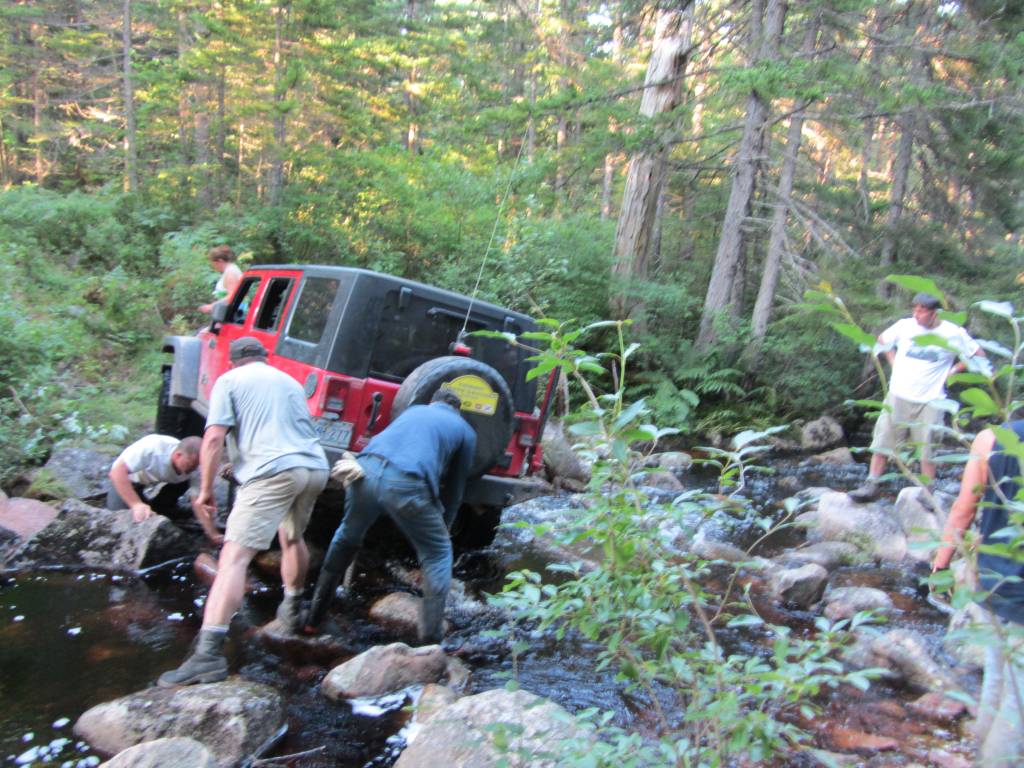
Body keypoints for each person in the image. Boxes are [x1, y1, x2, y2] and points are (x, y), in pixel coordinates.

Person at [158, 336, 328, 687]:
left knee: (233, 558)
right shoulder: (290, 383)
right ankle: (292, 609)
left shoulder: (230, 380)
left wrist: (206, 489)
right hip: (314, 468)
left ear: (234, 361)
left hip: (273, 471)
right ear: (265, 358)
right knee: (292, 536)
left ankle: (207, 656)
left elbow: (213, 438)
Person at [303, 388, 477, 644]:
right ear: (457, 410)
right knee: (438, 553)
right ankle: (430, 642)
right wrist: (445, 525)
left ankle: (314, 617)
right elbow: (455, 487)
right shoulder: (465, 430)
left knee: (347, 535)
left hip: (363, 471)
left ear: (432, 402)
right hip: (406, 485)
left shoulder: (414, 410)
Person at [932, 421, 1024, 766]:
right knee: (1018, 700)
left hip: (989, 576)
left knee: (997, 678)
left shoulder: (991, 438)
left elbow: (964, 509)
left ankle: (981, 752)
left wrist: (940, 566)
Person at [849, 292, 984, 502]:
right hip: (898, 394)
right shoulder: (905, 326)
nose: (916, 315)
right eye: (915, 309)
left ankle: (927, 493)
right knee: (883, 441)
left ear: (934, 313)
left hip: (931, 399)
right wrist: (892, 360)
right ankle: (872, 485)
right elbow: (883, 339)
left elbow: (978, 354)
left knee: (927, 448)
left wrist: (953, 371)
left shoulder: (952, 333)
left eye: (922, 311)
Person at [107, 434, 210, 529]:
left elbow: (196, 499)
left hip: (153, 481)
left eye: (196, 466)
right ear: (178, 455)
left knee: (186, 480)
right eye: (190, 465)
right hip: (127, 480)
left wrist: (211, 532)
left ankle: (163, 507)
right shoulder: (152, 448)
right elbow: (116, 472)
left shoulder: (194, 468)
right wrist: (136, 504)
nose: (193, 469)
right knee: (120, 519)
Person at [199, 245, 242, 314]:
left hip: (232, 313)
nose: (213, 267)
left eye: (213, 264)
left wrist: (211, 306)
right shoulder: (231, 269)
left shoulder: (230, 273)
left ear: (220, 261)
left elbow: (233, 295)